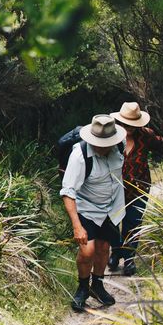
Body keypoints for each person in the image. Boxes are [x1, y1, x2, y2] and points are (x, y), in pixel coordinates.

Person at [108, 102, 163, 276]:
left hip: (140, 186)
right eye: (126, 123)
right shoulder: (112, 136)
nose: (129, 126)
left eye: (132, 123)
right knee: (113, 223)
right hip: (115, 188)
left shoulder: (146, 135)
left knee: (134, 222)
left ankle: (129, 258)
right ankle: (116, 253)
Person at [60, 115, 126, 312]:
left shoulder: (119, 146)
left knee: (104, 248)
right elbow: (68, 192)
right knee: (87, 251)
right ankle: (82, 288)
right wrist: (77, 226)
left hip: (112, 207)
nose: (104, 146)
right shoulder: (79, 155)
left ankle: (97, 285)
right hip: (86, 207)